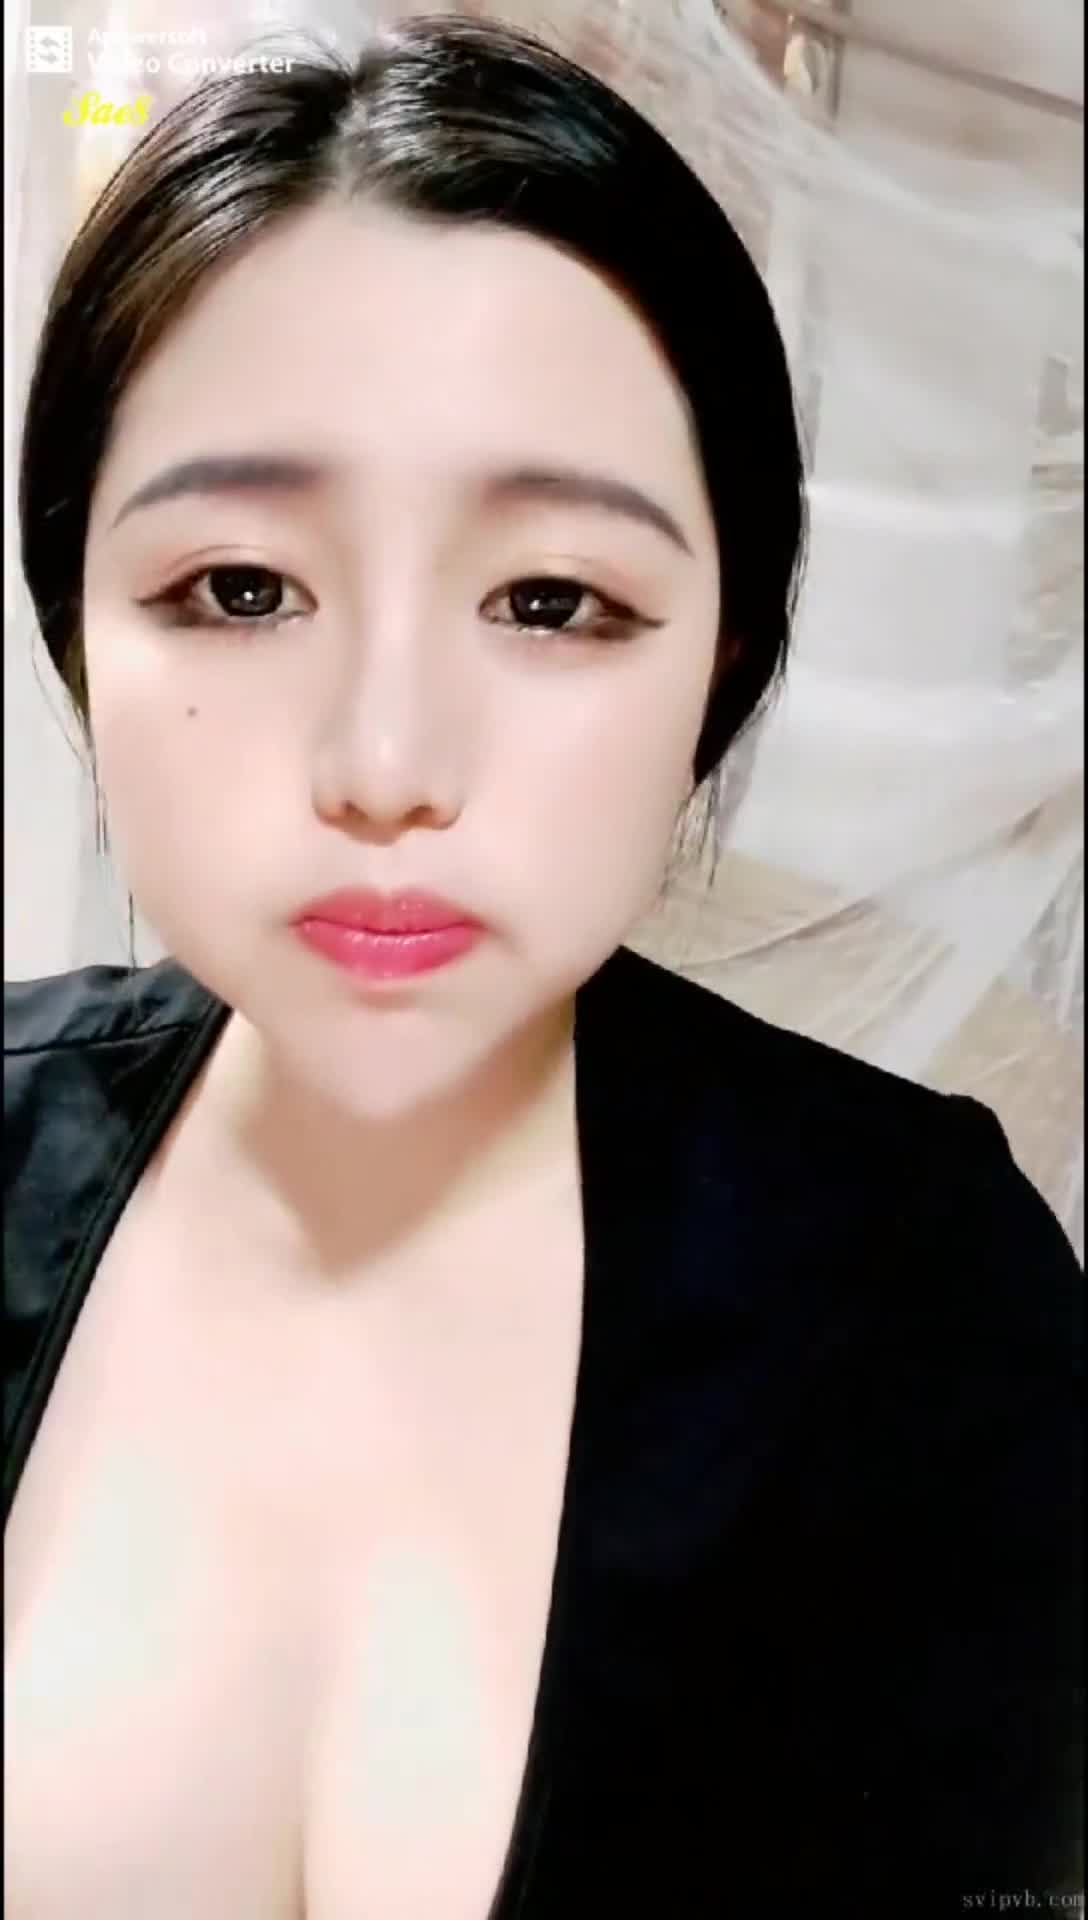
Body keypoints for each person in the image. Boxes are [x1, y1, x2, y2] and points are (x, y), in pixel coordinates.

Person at [4, 16, 1082, 1919]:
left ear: (720, 663)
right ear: (77, 619)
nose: (386, 765)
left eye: (551, 600)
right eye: (241, 588)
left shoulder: (928, 1293)